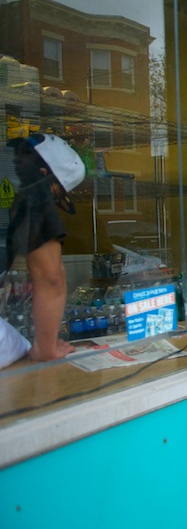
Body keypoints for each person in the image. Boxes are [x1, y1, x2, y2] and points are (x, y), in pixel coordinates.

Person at [1, 133, 85, 366]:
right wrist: (46, 348)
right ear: (46, 178)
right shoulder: (34, 190)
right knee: (20, 350)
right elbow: (51, 278)